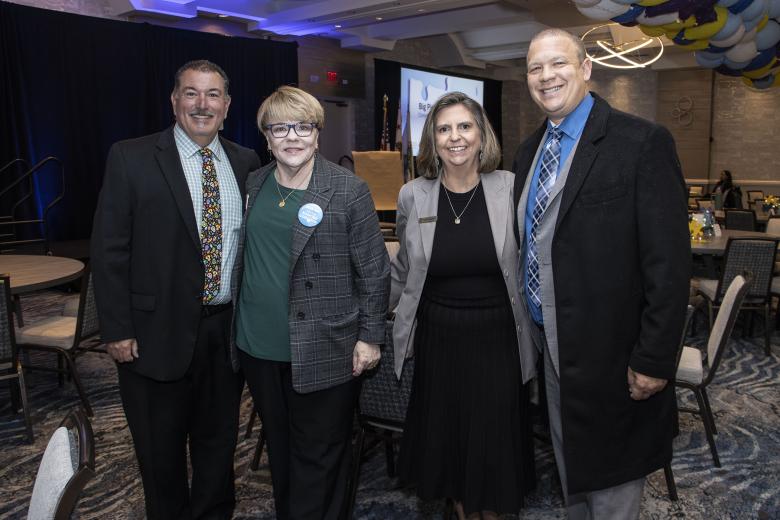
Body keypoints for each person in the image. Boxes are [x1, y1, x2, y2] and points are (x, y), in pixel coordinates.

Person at [511, 29, 691, 519]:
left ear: (586, 68)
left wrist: (654, 359)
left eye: (558, 63)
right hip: (554, 353)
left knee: (612, 487)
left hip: (617, 360)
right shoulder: (528, 152)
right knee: (572, 475)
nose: (546, 76)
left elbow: (669, 265)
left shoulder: (641, 142)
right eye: (535, 68)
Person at [91, 60, 260, 519]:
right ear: (174, 100)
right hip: (152, 333)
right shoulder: (131, 157)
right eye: (191, 93)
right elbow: (109, 250)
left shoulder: (246, 162)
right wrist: (117, 328)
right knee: (159, 452)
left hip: (224, 333)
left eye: (212, 95)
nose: (202, 104)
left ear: (227, 105)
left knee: (218, 444)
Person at [230, 85, 389, 520]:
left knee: (320, 456)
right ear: (266, 137)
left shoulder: (347, 189)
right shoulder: (255, 183)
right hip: (258, 346)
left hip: (326, 346)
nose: (292, 137)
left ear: (318, 133)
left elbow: (375, 271)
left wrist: (370, 337)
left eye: (303, 127)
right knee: (280, 451)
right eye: (280, 128)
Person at [391, 92, 538, 519]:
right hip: (439, 340)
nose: (455, 137)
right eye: (444, 129)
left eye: (464, 126)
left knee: (493, 447)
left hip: (499, 339)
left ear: (481, 134)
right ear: (432, 140)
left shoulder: (511, 188)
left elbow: (534, 261)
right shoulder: (413, 195)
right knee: (452, 444)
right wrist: (370, 324)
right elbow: (403, 269)